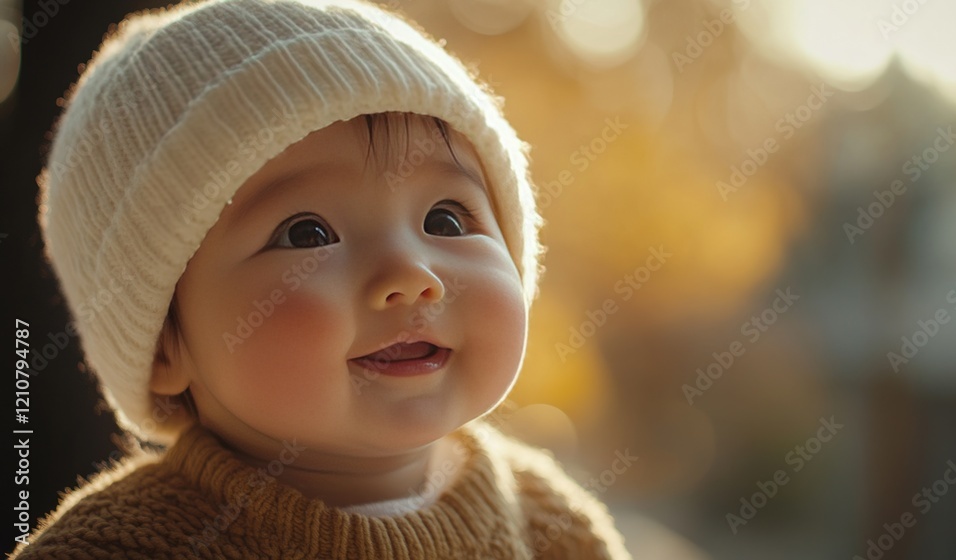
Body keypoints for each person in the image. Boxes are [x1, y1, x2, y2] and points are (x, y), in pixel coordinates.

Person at [12, 0, 633, 558]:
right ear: (163, 345)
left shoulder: (552, 527)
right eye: (307, 235)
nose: (411, 276)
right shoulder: (121, 548)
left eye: (446, 218)